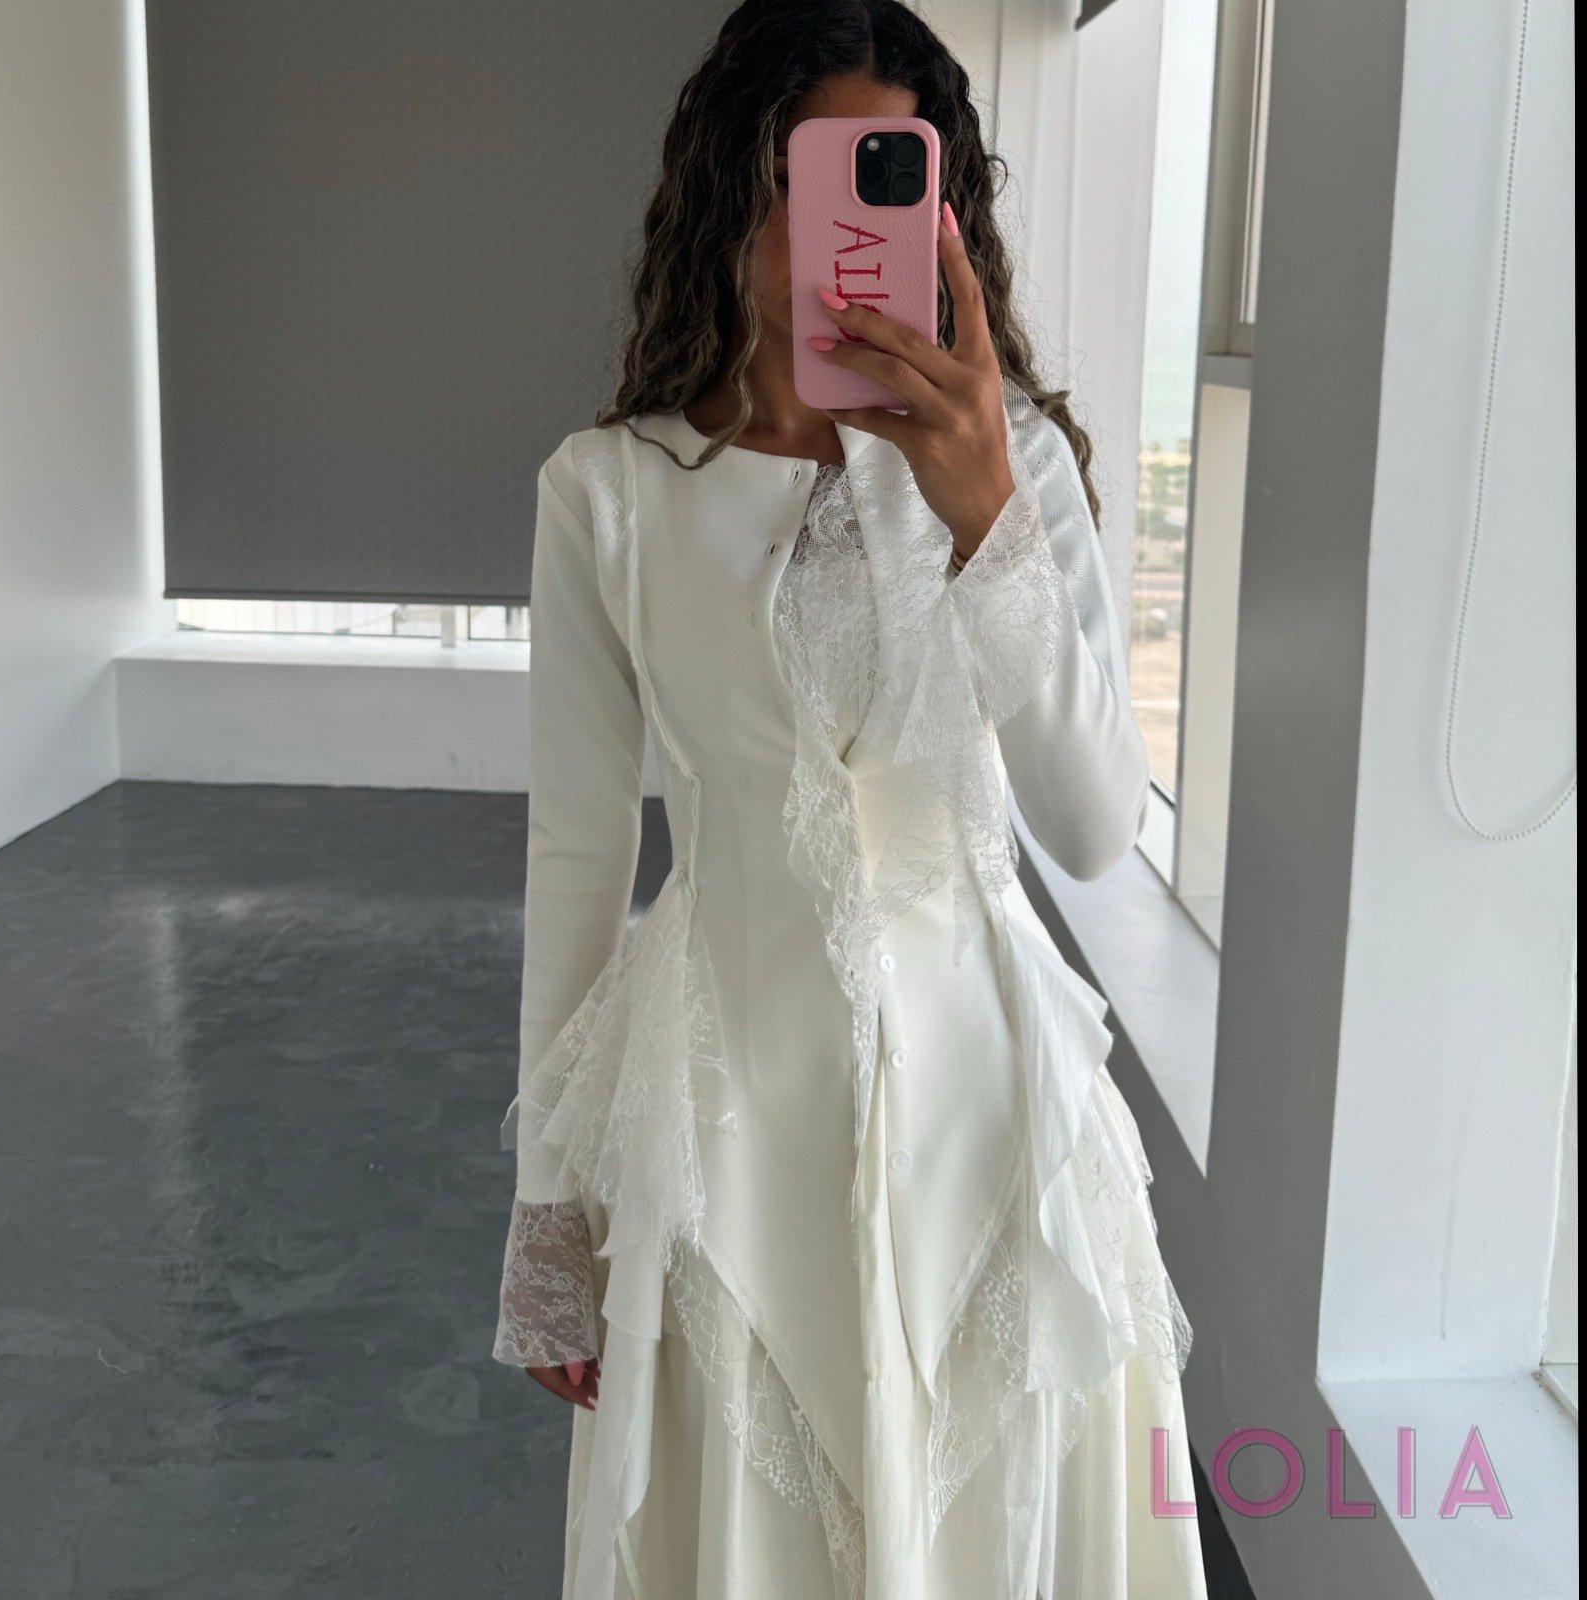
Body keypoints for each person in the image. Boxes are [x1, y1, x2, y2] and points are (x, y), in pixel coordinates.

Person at [493, 3, 1209, 1595]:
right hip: (722, 1138)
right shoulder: (606, 495)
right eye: (800, 187)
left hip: (996, 1128)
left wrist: (985, 519)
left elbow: (1094, 828)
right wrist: (549, 1207)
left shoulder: (1015, 466)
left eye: (886, 189)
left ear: (944, 221)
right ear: (727, 197)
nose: (834, 244)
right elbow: (578, 850)